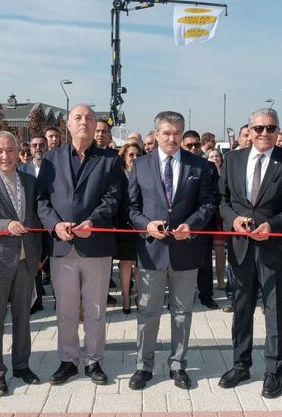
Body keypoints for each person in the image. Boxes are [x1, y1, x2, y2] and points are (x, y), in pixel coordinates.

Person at [218, 108, 282, 398]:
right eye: (259, 128)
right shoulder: (232, 160)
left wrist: (273, 225)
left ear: (278, 130)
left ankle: (274, 370)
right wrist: (233, 220)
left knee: (275, 311)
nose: (264, 133)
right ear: (250, 130)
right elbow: (222, 200)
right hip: (241, 247)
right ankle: (240, 364)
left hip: (275, 248)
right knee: (242, 308)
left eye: (271, 128)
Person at [36, 104, 124, 385]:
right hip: (62, 246)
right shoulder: (51, 159)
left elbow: (113, 198)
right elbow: (41, 200)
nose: (84, 121)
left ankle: (93, 360)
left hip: (95, 243)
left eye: (89, 117)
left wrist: (93, 221)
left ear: (96, 125)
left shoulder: (110, 159)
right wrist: (54, 225)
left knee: (96, 309)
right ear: (68, 125)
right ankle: (68, 360)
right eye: (78, 117)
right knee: (66, 309)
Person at [127, 111, 215, 390]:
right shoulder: (140, 165)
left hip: (185, 250)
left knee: (182, 312)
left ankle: (178, 364)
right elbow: (131, 207)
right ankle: (144, 366)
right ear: (156, 135)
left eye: (177, 133)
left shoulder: (199, 165)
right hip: (151, 250)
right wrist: (146, 225)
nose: (172, 138)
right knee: (148, 312)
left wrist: (192, 225)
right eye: (166, 133)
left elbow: (208, 204)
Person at [0, 131, 42, 395]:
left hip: (26, 260)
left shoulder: (30, 181)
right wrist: (7, 224)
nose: (5, 156)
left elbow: (37, 217)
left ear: (18, 151)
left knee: (23, 318)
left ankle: (22, 366)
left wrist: (41, 255)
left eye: (10, 150)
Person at [183, 130, 218, 309]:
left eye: (196, 144)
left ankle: (206, 295)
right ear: (183, 145)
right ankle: (183, 296)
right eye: (189, 145)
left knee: (205, 261)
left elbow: (216, 194)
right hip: (182, 222)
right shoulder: (178, 165)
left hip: (204, 222)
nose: (193, 148)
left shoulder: (209, 167)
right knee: (183, 263)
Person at [20, 135, 48, 313]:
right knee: (32, 261)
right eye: (35, 145)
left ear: (47, 147)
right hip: (30, 222)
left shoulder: (54, 168)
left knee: (46, 260)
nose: (38, 148)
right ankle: (34, 302)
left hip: (50, 221)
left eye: (41, 145)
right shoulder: (21, 170)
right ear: (30, 148)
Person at [116, 142, 142, 314]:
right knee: (126, 264)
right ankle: (126, 297)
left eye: (138, 155)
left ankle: (140, 297)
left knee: (139, 264)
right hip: (123, 225)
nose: (135, 158)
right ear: (124, 158)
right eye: (131, 155)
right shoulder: (118, 175)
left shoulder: (145, 174)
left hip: (141, 226)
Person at [204, 149, 227, 290]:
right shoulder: (204, 172)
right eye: (211, 156)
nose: (215, 158)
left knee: (220, 250)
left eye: (217, 156)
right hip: (208, 215)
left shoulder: (226, 172)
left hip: (221, 216)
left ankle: (221, 281)